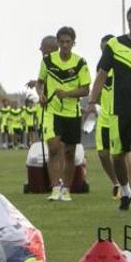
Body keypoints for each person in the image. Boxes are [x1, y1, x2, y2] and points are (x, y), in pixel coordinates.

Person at [36, 26, 90, 202]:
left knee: (69, 152)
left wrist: (66, 94)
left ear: (73, 43)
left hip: (72, 113)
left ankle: (66, 190)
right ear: (58, 43)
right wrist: (41, 94)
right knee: (53, 148)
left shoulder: (80, 63)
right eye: (62, 42)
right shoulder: (47, 61)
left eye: (68, 42)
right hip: (52, 111)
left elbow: (85, 90)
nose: (65, 45)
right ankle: (54, 189)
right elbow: (40, 82)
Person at [86, 12, 131, 211]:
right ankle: (125, 191)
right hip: (119, 110)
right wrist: (91, 102)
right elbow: (101, 75)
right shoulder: (114, 45)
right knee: (117, 155)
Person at [92, 34, 120, 199]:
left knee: (121, 154)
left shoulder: (123, 65)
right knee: (103, 153)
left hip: (120, 115)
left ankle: (126, 187)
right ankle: (116, 182)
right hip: (104, 115)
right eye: (103, 49)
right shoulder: (100, 68)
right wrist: (93, 104)